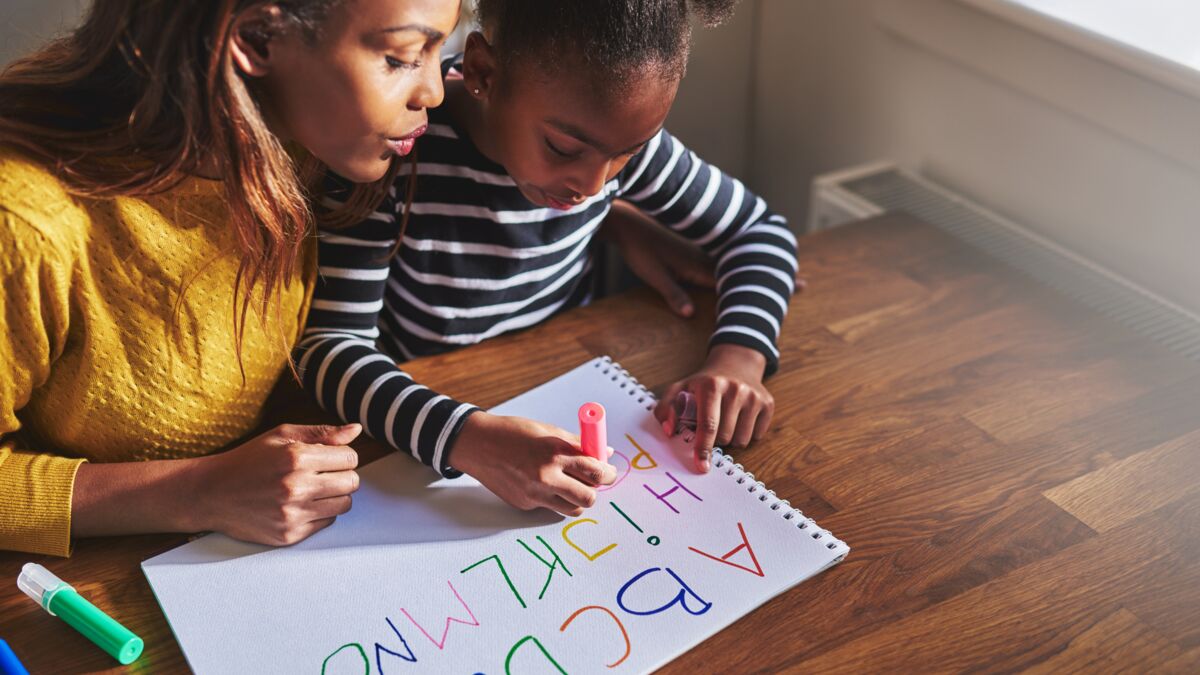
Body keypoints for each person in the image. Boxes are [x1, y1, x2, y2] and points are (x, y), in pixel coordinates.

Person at [300, 0, 799, 517]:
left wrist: (739, 359)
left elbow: (759, 231)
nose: (594, 184)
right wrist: (468, 439)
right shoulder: (389, 150)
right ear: (483, 72)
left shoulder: (615, 145)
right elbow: (331, 347)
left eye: (627, 153)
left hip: (559, 378)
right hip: (423, 417)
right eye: (562, 148)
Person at [0, 0, 462, 556]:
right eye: (402, 57)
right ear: (259, 41)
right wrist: (196, 490)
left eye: (443, 49)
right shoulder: (26, 221)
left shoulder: (299, 140)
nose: (434, 91)